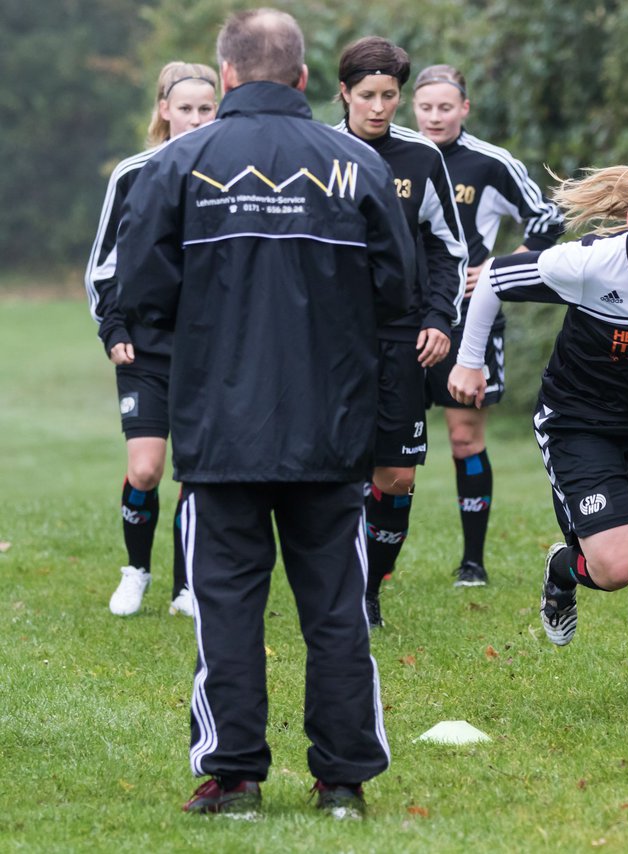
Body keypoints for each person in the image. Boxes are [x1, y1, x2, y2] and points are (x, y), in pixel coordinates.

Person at [116, 8, 415, 819]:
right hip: (332, 429)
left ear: (226, 78)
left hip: (222, 432)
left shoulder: (178, 165)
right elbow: (399, 297)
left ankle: (235, 776)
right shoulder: (359, 165)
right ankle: (344, 781)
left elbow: (139, 296)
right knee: (336, 610)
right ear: (307, 79)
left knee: (228, 610)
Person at [448, 164, 628, 705]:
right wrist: (470, 362)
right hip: (580, 422)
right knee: (613, 569)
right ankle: (562, 570)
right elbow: (492, 278)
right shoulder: (588, 262)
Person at [412, 64, 565, 587]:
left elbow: (549, 217)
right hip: (400, 318)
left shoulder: (490, 163)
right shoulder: (396, 155)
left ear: (464, 109)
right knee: (387, 447)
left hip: (466, 318)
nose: (435, 116)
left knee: (463, 438)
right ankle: (377, 561)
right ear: (414, 108)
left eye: (445, 107)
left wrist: (505, 268)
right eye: (426, 107)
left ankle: (472, 563)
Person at [332, 38, 468, 624]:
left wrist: (438, 317)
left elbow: (448, 248)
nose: (380, 107)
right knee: (335, 469)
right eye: (368, 96)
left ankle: (370, 592)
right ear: (344, 93)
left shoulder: (420, 158)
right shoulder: (317, 152)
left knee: (397, 474)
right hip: (331, 341)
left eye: (390, 95)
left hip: (402, 337)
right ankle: (337, 589)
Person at [86, 62, 218, 618]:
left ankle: (187, 587)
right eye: (184, 108)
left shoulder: (232, 174)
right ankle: (136, 570)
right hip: (143, 347)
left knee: (196, 471)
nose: (194, 118)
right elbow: (103, 266)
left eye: (205, 108)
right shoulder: (133, 174)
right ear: (164, 109)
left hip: (210, 349)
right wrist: (113, 328)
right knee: (145, 469)